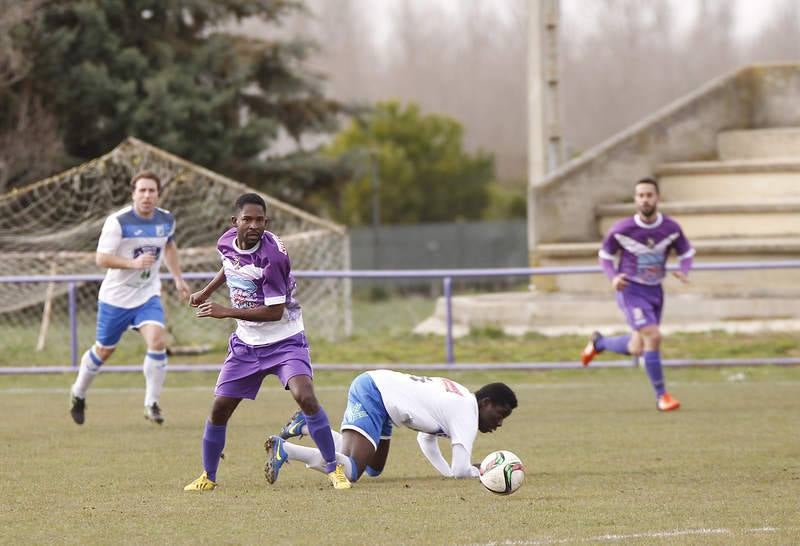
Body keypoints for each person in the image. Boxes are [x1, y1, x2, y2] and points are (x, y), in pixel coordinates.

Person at [183, 193, 349, 492]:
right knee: (219, 408)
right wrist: (206, 292)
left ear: (266, 222)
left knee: (305, 396)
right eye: (247, 219)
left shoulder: (273, 257)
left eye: (260, 220)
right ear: (234, 223)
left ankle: (333, 468)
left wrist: (225, 311)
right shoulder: (225, 242)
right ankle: (208, 476)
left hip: (285, 340)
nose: (254, 225)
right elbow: (230, 266)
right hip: (246, 344)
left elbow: (275, 312)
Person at [69, 171, 190, 425]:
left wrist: (178, 278)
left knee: (157, 340)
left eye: (152, 191)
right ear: (133, 193)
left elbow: (168, 246)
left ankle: (151, 403)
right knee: (103, 351)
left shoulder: (166, 220)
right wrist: (132, 263)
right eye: (142, 190)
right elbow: (101, 258)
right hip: (116, 298)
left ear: (158, 194)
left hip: (147, 295)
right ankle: (78, 392)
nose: (147, 195)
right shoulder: (118, 221)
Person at [263, 370, 517, 486]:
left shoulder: (462, 398)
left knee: (374, 468)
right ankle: (285, 449)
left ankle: (307, 425)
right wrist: (482, 471)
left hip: (381, 396)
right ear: (486, 403)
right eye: (500, 414)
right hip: (375, 393)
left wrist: (448, 473)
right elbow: (463, 470)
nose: (500, 423)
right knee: (350, 472)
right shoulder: (466, 414)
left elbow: (425, 441)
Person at [580, 176, 694, 411]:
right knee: (653, 336)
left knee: (637, 347)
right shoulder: (622, 229)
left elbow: (686, 252)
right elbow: (605, 256)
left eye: (649, 195)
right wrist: (613, 277)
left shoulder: (670, 228)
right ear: (635, 199)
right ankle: (662, 396)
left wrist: (684, 270)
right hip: (630, 290)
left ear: (657, 198)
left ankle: (599, 343)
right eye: (640, 195)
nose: (645, 199)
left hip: (655, 291)